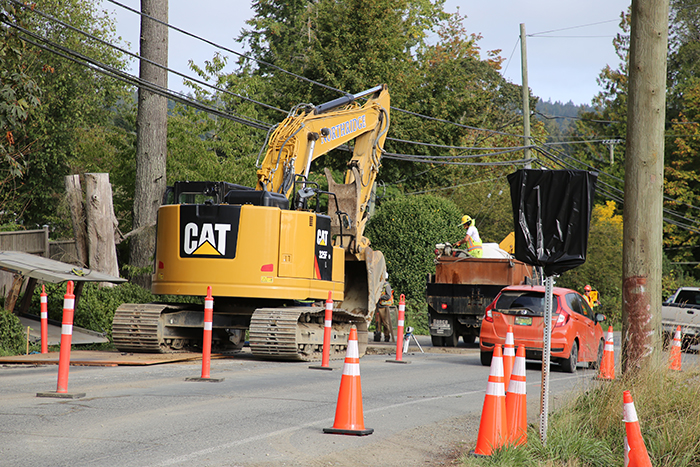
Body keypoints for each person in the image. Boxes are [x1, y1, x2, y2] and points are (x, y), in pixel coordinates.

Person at [374, 273, 395, 342]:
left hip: (385, 307)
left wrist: (380, 297)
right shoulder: (380, 285)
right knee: (378, 323)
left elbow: (388, 296)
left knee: (386, 323)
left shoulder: (387, 286)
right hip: (378, 306)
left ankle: (387, 337)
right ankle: (378, 336)